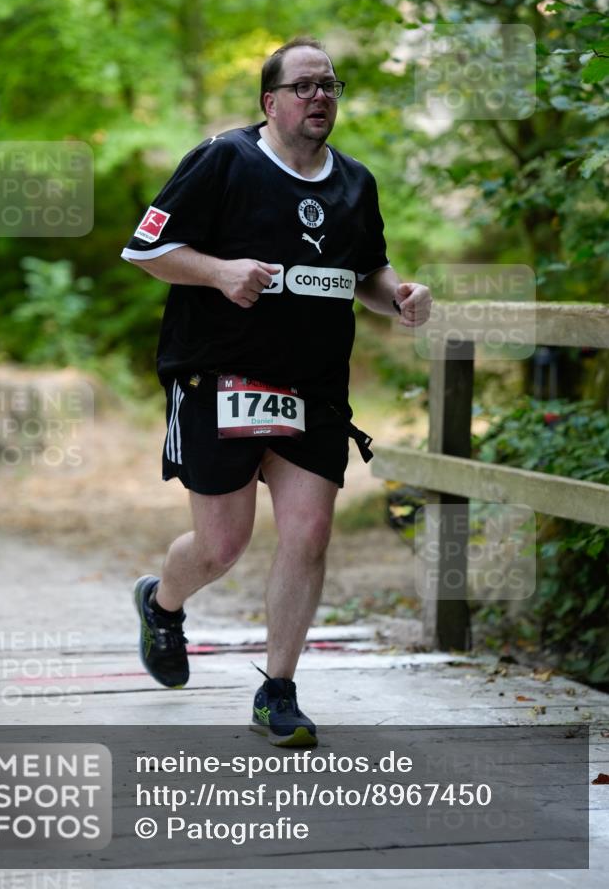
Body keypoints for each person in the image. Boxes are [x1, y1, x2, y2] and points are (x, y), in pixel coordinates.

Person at [122, 37, 431, 746]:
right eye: (304, 85)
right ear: (270, 101)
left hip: (313, 389)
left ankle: (278, 690)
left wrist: (402, 295)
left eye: (330, 85)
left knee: (308, 534)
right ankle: (163, 604)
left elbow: (368, 275)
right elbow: (146, 250)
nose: (320, 95)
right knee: (221, 547)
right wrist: (220, 272)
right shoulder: (222, 160)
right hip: (219, 379)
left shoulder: (355, 182)